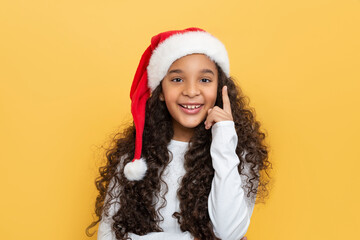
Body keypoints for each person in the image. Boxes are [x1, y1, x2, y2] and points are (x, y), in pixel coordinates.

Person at [86, 27, 271, 240]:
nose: (191, 91)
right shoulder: (134, 157)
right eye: (177, 79)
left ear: (220, 88)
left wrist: (224, 140)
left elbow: (229, 232)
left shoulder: (238, 154)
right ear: (161, 92)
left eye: (205, 80)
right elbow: (108, 234)